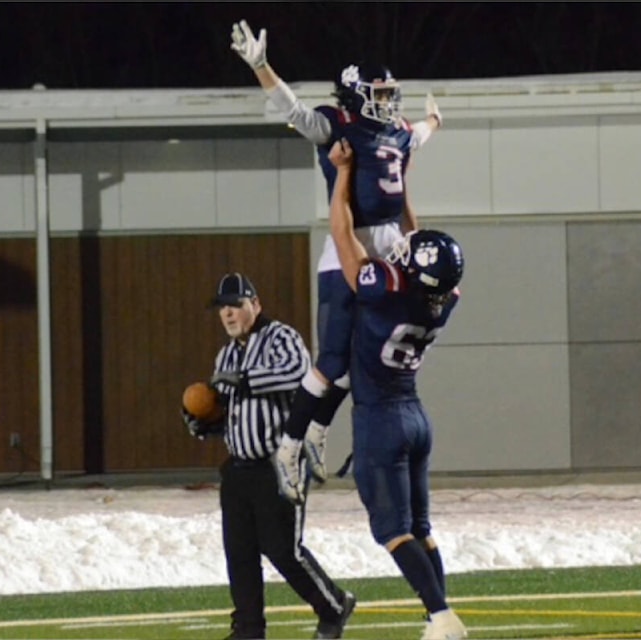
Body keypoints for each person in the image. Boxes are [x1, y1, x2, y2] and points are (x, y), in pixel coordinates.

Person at [229, 19, 443, 502]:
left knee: (363, 358)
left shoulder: (398, 132)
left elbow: (419, 137)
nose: (387, 102)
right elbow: (295, 113)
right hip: (349, 246)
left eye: (390, 94)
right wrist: (262, 67)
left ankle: (316, 429)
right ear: (355, 94)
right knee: (331, 359)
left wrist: (433, 122)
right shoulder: (339, 126)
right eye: (379, 93)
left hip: (390, 247)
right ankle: (289, 444)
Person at [325, 137, 468, 640]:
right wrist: (402, 187)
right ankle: (440, 616)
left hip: (382, 419)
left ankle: (442, 617)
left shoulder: (385, 292)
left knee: (392, 530)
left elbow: (342, 234)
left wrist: (342, 172)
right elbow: (417, 241)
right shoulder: (442, 299)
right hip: (414, 416)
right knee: (421, 531)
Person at [181, 271, 355, 640]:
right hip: (239, 468)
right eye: (222, 308)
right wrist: (204, 423)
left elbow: (297, 375)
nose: (228, 314)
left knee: (283, 550)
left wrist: (243, 381)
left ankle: (334, 605)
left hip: (279, 465)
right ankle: (248, 630)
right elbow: (230, 411)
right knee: (239, 553)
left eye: (236, 306)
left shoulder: (283, 337)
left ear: (255, 305)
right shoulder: (225, 354)